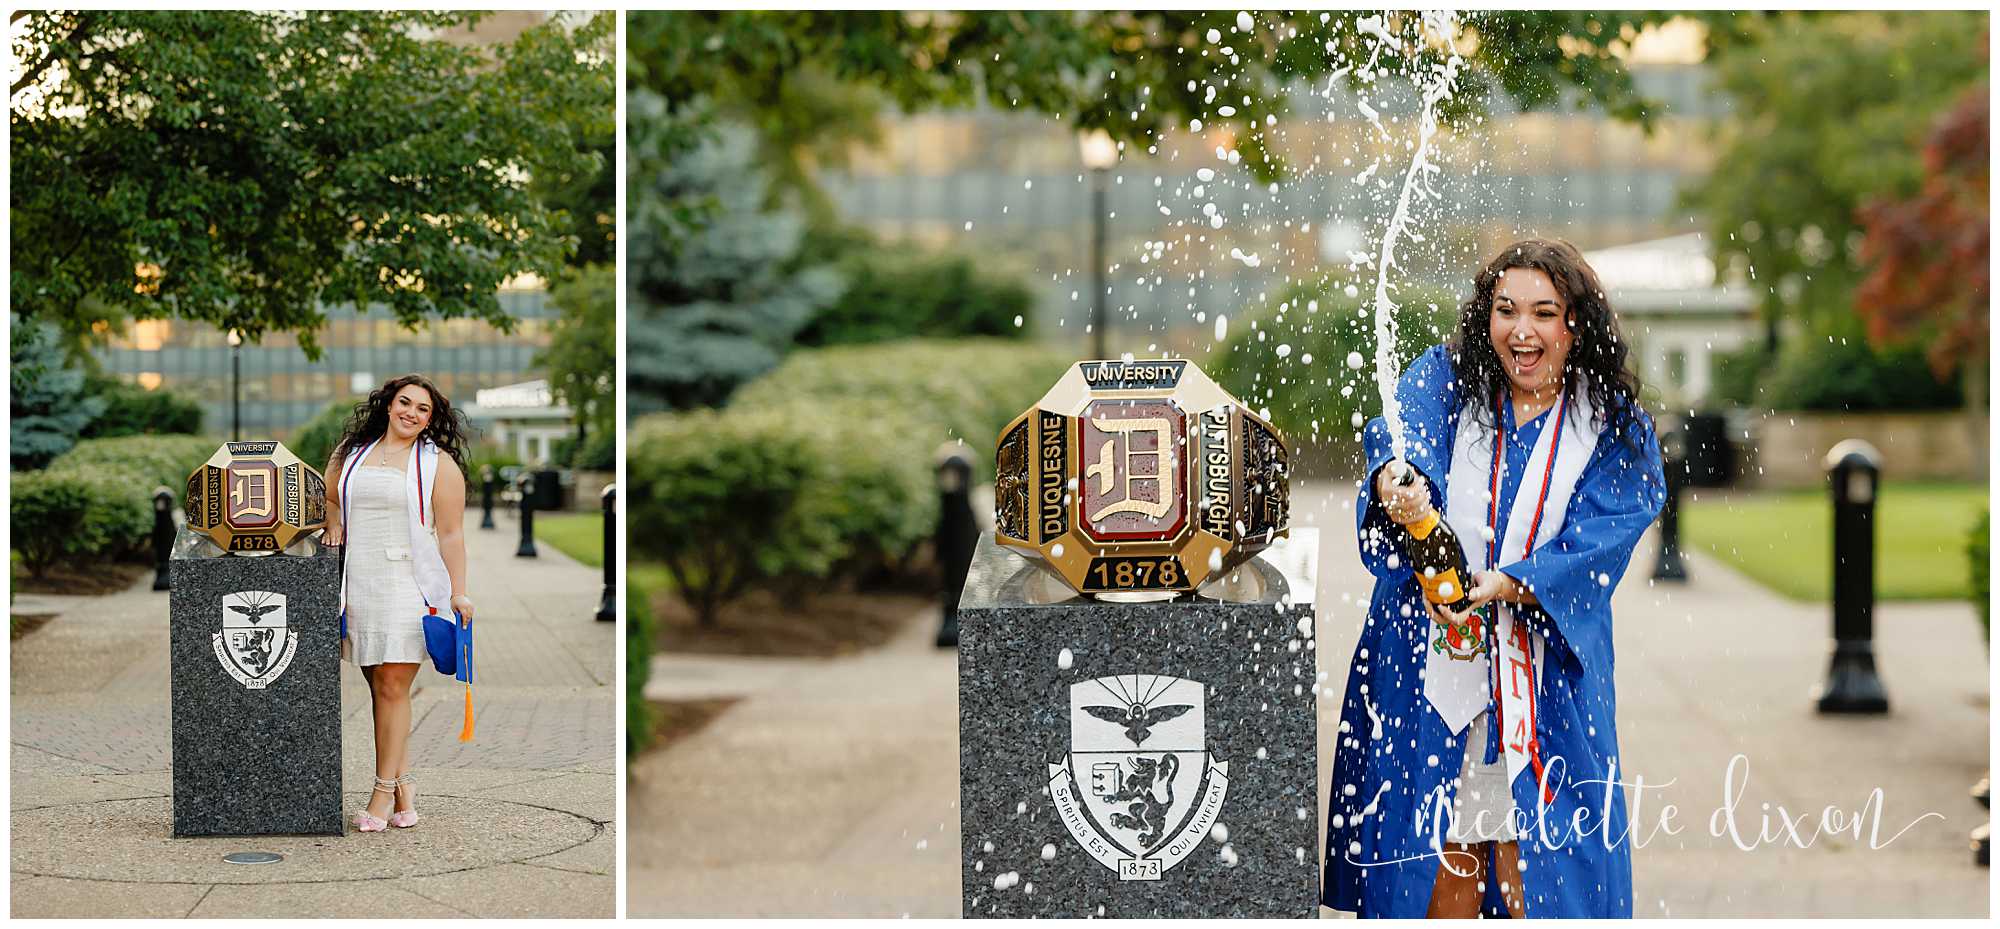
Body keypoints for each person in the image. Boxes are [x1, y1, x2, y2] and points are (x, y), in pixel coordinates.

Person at [1322, 239, 1666, 917]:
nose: (1522, 330)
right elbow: (1402, 440)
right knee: (1436, 867)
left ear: (1575, 324)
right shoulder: (1447, 382)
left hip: (1545, 684)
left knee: (1535, 872)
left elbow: (1605, 532)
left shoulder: (1610, 427)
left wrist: (1511, 582)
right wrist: (1402, 485)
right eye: (1506, 310)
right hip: (1430, 675)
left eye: (1544, 312)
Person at [323, 374, 474, 833]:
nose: (411, 412)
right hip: (359, 582)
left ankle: (383, 793)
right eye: (404, 403)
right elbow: (328, 494)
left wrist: (459, 592)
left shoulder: (437, 465)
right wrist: (332, 525)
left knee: (393, 688)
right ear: (388, 405)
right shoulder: (351, 452)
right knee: (379, 691)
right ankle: (405, 789)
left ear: (431, 419)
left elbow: (451, 534)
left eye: (422, 409)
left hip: (406, 584)